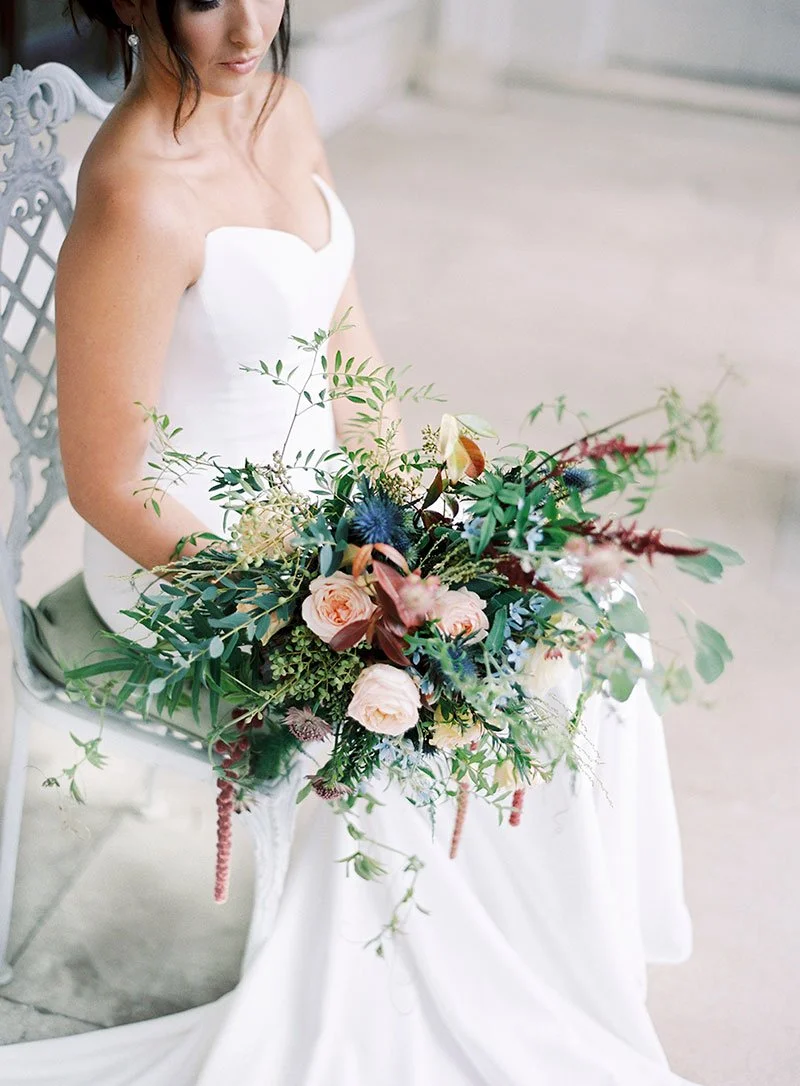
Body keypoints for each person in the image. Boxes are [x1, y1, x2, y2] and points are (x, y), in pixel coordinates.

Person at [0, 2, 701, 1083]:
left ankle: (551, 970)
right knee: (396, 715)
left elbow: (345, 347)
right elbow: (110, 482)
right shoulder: (135, 194)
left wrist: (425, 511)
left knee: (585, 631)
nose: (245, 26)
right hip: (189, 560)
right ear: (136, 2)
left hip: (325, 513)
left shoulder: (286, 110)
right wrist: (297, 607)